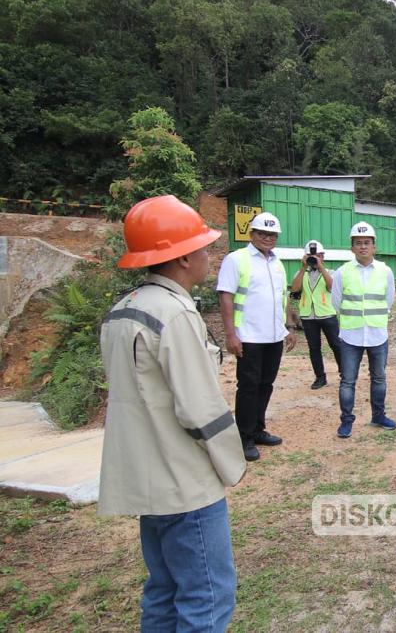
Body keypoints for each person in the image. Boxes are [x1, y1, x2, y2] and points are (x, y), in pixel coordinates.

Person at [100, 195, 245, 630]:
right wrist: (231, 464)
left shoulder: (123, 310)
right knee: (208, 597)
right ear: (181, 258)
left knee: (163, 592)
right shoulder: (175, 313)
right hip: (185, 483)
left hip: (148, 480)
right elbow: (199, 407)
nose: (208, 255)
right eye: (202, 248)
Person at [217, 211, 297, 462]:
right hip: (249, 336)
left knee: (266, 384)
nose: (267, 238)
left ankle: (258, 429)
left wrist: (289, 326)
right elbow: (225, 296)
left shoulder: (276, 262)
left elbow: (282, 297)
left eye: (272, 235)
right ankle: (244, 437)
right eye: (262, 233)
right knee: (249, 386)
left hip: (273, 336)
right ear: (251, 234)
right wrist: (231, 335)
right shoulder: (236, 259)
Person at [331, 221, 396, 438]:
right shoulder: (342, 272)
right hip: (351, 335)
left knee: (379, 378)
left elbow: (388, 301)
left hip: (377, 334)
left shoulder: (385, 271)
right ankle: (347, 420)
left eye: (367, 242)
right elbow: (336, 302)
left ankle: (378, 415)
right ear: (352, 247)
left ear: (374, 246)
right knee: (348, 380)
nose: (363, 247)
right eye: (358, 243)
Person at [290, 239, 342, 390]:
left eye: (318, 256)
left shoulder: (331, 272)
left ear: (323, 256)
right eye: (311, 256)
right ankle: (320, 377)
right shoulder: (301, 273)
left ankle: (344, 374)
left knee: (336, 345)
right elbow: (294, 290)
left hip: (327, 314)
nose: (314, 259)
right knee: (314, 348)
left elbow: (332, 287)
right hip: (308, 316)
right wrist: (303, 268)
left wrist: (321, 267)